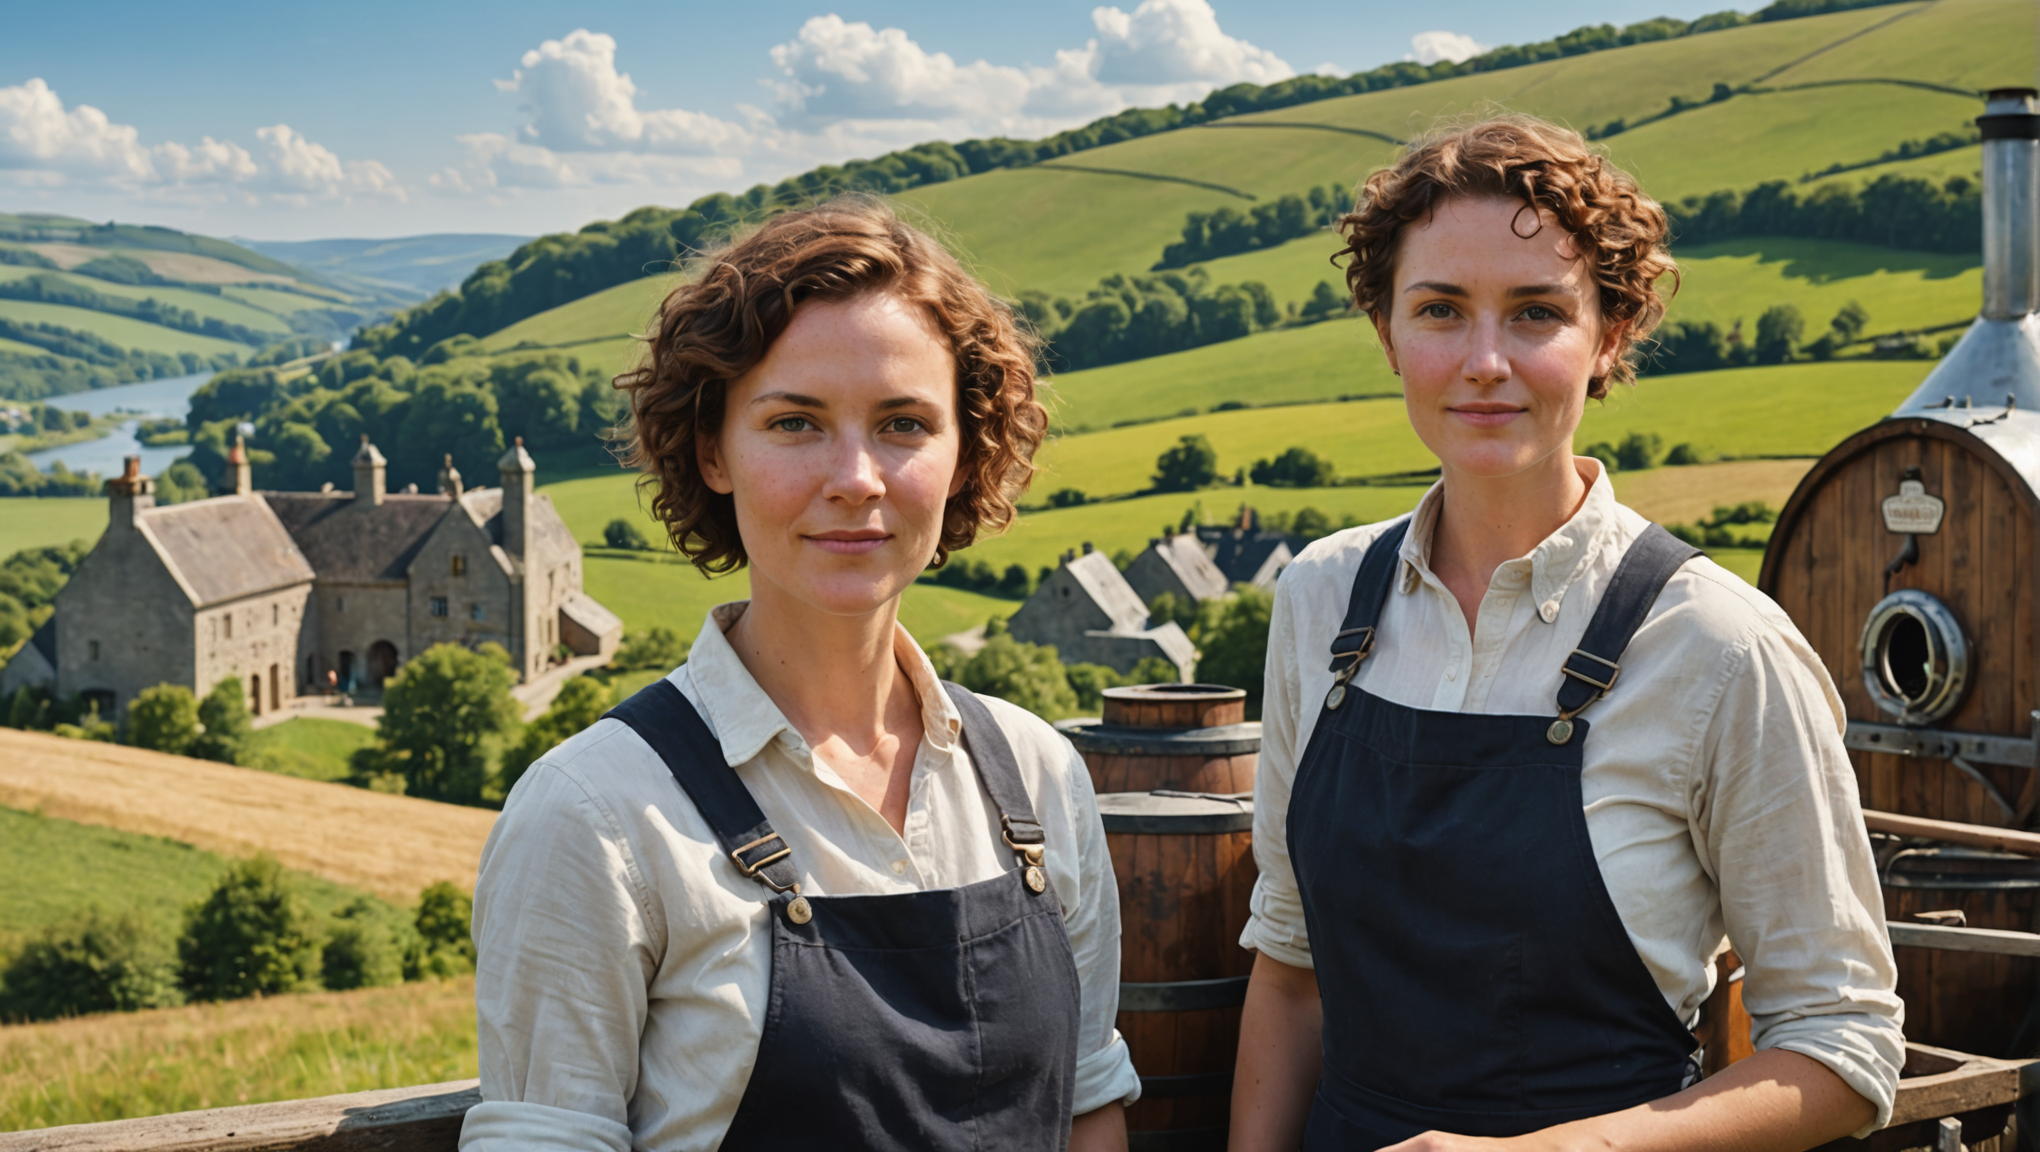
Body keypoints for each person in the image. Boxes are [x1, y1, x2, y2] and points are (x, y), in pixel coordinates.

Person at [1228, 117, 1904, 1152]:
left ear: (1609, 340)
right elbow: (1290, 971)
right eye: (1440, 310)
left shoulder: (1721, 648)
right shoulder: (1322, 598)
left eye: (1536, 312)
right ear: (1388, 332)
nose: (1484, 360)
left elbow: (1843, 1050)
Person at [460, 199, 1138, 1152]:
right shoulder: (593, 816)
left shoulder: (1039, 776)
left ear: (963, 456)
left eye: (903, 423)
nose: (856, 476)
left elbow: (1087, 1108)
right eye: (795, 423)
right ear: (712, 451)